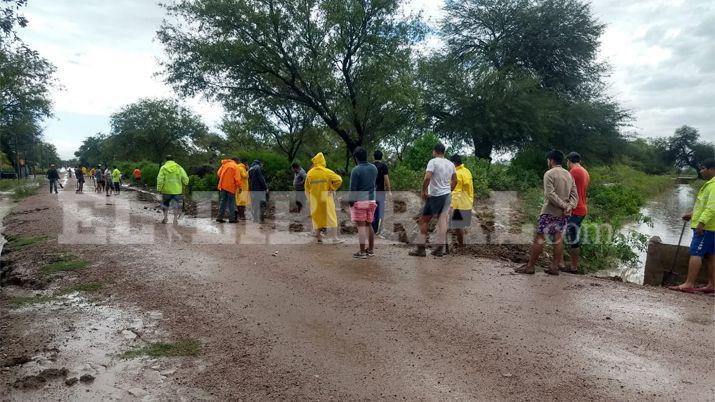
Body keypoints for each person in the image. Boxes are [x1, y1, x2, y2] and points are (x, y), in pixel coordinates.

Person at [515, 150, 578, 275]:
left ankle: (530, 266)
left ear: (551, 160)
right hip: (563, 214)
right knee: (558, 238)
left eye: (548, 160)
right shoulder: (569, 175)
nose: (548, 162)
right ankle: (554, 267)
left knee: (539, 237)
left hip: (549, 211)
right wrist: (569, 207)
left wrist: (563, 205)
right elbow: (575, 195)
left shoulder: (549, 174)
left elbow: (550, 194)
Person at [669, 158, 715, 294]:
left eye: (703, 168)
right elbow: (705, 206)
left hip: (706, 228)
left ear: (712, 169)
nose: (701, 171)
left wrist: (701, 222)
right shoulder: (710, 184)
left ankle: (689, 283)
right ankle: (712, 285)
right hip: (712, 228)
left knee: (696, 253)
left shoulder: (713, 185)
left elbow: (712, 207)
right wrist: (692, 215)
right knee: (712, 255)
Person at [409, 143, 457, 257]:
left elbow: (427, 178)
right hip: (446, 195)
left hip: (435, 196)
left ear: (434, 151)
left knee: (424, 220)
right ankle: (439, 249)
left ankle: (420, 249)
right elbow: (455, 181)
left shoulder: (433, 162)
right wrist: (447, 190)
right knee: (442, 221)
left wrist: (423, 191)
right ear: (444, 152)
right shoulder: (451, 164)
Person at [559, 152, 590, 273]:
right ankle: (573, 267)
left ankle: (560, 264)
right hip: (581, 208)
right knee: (574, 238)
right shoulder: (585, 171)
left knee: (558, 235)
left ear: (568, 161)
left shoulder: (574, 171)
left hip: (574, 210)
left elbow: (566, 190)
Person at [305, 152, 344, 244]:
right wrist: (332, 188)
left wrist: (309, 199)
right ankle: (335, 238)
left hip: (315, 198)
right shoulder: (328, 172)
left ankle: (319, 239)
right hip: (326, 197)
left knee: (317, 217)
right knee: (332, 217)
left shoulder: (309, 173)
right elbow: (339, 180)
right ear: (323, 161)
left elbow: (306, 188)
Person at [349, 147, 378, 258]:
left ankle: (362, 252)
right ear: (367, 155)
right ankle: (370, 250)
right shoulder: (374, 168)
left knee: (361, 226)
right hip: (372, 201)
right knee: (369, 225)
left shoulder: (356, 170)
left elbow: (353, 188)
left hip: (360, 201)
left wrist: (351, 202)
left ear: (356, 158)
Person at [449, 154, 474, 247]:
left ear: (454, 163)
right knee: (461, 225)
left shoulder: (457, 174)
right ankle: (462, 244)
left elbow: (456, 192)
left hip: (459, 203)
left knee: (458, 225)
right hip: (468, 201)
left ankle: (461, 245)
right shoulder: (467, 171)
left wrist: (451, 206)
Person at [157, 155, 189, 224]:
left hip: (166, 190)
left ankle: (165, 218)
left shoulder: (163, 168)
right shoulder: (179, 167)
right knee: (176, 205)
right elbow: (185, 178)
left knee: (165, 204)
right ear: (173, 160)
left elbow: (160, 179)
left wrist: (159, 189)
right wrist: (185, 183)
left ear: (166, 160)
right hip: (177, 191)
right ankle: (175, 220)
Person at [372, 151, 392, 235]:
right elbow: (386, 179)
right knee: (380, 210)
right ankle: (378, 231)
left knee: (372, 210)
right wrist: (389, 191)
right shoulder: (383, 166)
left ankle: (372, 229)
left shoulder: (371, 166)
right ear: (381, 157)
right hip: (380, 191)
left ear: (374, 157)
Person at [216, 157, 241, 223]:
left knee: (223, 202)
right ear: (236, 161)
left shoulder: (224, 165)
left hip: (223, 186)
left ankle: (219, 217)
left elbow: (218, 173)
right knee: (231, 203)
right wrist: (240, 187)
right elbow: (237, 179)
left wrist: (225, 178)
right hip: (231, 187)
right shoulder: (235, 166)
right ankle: (232, 219)